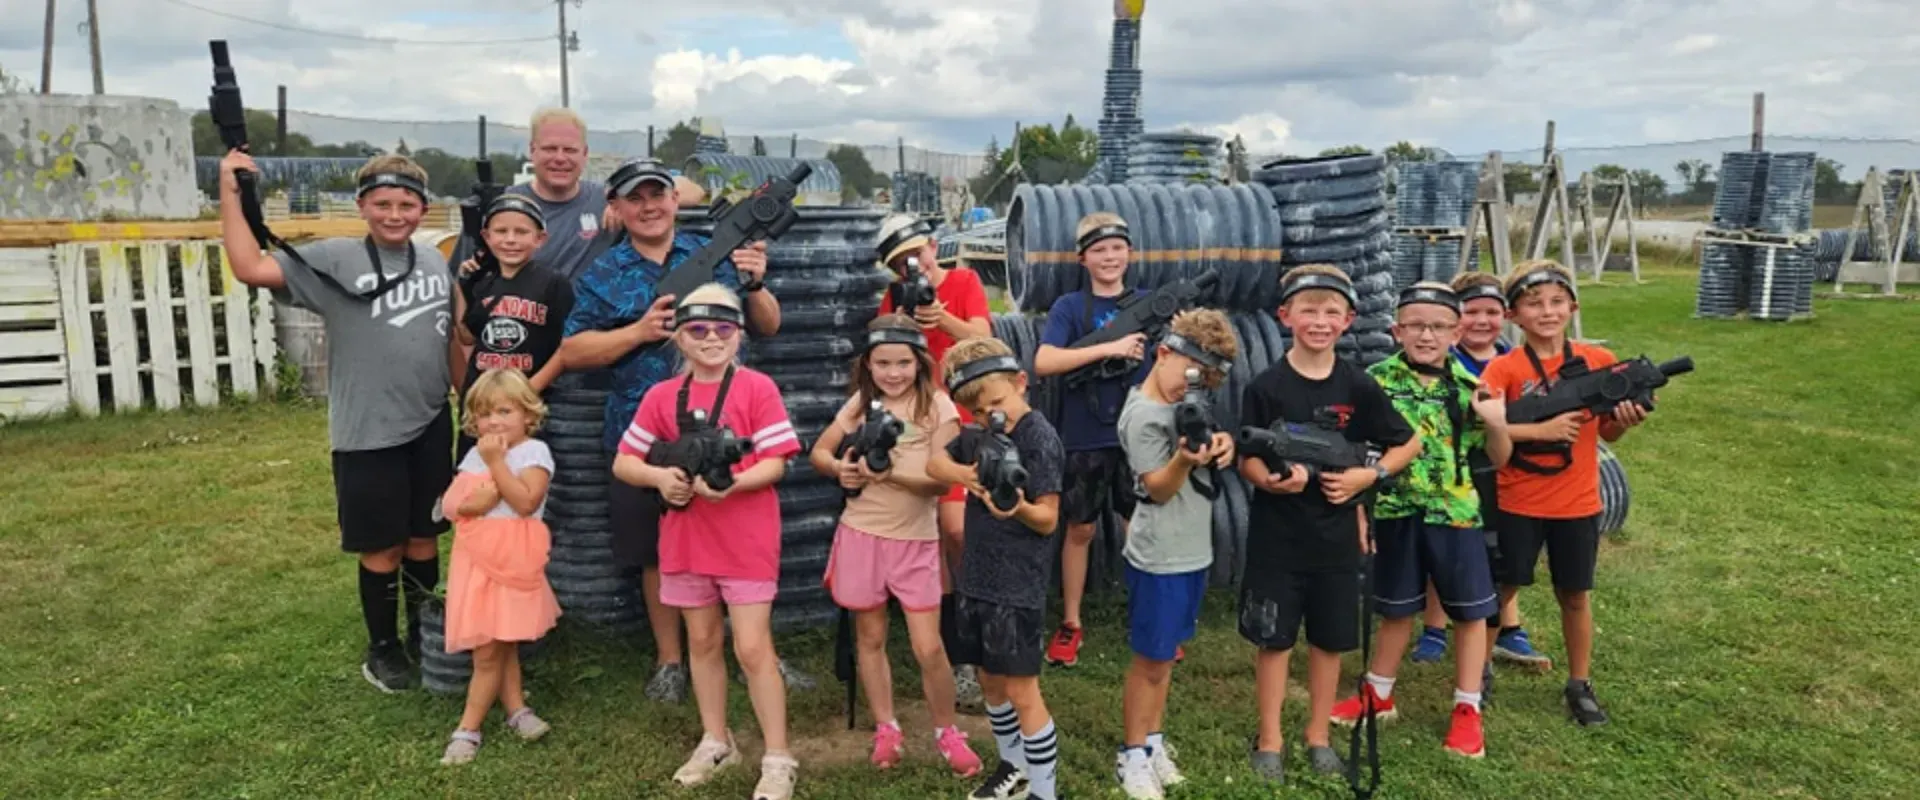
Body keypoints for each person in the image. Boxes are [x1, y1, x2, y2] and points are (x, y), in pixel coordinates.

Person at [217, 148, 457, 693]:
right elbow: (249, 266)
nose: (395, 215)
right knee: (383, 546)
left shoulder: (434, 261)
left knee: (424, 537)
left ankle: (425, 632)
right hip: (367, 431)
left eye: (407, 204)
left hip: (428, 420)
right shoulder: (335, 258)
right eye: (383, 204)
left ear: (423, 209)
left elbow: (451, 337)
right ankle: (383, 648)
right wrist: (230, 193)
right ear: (362, 205)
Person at [558, 156, 781, 705]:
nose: (649, 206)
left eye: (657, 194)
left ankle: (754, 652)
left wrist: (755, 283)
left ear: (675, 200)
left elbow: (769, 325)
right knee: (658, 555)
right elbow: (572, 350)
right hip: (643, 435)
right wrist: (636, 332)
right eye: (635, 198)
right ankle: (671, 661)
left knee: (736, 541)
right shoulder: (602, 274)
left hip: (728, 425)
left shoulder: (721, 254)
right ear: (616, 208)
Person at [611, 285, 802, 800]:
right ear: (679, 337)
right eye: (697, 330)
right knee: (701, 641)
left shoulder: (757, 387)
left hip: (745, 537)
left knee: (752, 646)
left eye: (723, 329)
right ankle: (716, 738)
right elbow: (624, 461)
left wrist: (731, 485)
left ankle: (779, 754)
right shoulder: (660, 396)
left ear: (739, 334)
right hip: (686, 538)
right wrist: (661, 480)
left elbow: (778, 460)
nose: (711, 339)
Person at [1238, 265, 1420, 783]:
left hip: (1338, 538)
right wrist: (1273, 482)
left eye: (1330, 312)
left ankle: (1319, 734)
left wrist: (1368, 476)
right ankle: (1269, 738)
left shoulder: (1357, 386)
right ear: (1285, 316)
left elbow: (1408, 442)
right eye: (1308, 310)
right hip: (1278, 537)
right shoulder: (1266, 387)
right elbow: (1246, 458)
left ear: (1348, 321)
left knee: (1330, 641)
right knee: (1273, 641)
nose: (1319, 321)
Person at [1326, 282, 1513, 759]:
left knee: (1470, 613)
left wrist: (1496, 422)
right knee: (1395, 607)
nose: (1426, 335)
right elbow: (1354, 451)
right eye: (1415, 325)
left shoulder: (1472, 387)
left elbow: (1499, 457)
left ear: (1457, 331)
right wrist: (1359, 512)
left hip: (1454, 512)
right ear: (1397, 330)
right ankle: (1378, 692)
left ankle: (1467, 708)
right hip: (1394, 510)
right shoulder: (1374, 382)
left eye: (1438, 326)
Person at [808, 314, 982, 777]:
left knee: (929, 647)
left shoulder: (938, 408)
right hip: (861, 533)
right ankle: (886, 726)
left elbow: (937, 480)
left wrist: (889, 475)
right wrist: (838, 470)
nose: (893, 373)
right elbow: (818, 451)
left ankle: (947, 730)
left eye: (903, 362)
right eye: (882, 363)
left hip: (915, 541)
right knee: (870, 637)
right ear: (868, 365)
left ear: (920, 362)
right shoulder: (860, 405)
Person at [1477, 260, 1648, 727]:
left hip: (1578, 502)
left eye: (1556, 302)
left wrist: (1627, 420)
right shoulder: (1504, 368)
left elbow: (1609, 432)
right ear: (1514, 316)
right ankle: (1480, 668)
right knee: (1502, 587)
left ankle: (1579, 682)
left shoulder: (1595, 363)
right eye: (1534, 304)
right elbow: (1486, 429)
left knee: (1575, 593)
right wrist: (1540, 429)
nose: (1547, 312)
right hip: (1518, 499)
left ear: (1573, 307)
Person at [927, 337, 1067, 800]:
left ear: (1021, 384)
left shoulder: (1040, 438)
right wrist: (964, 475)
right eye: (980, 414)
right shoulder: (980, 432)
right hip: (977, 575)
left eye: (998, 405)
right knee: (989, 679)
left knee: (1022, 689)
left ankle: (1044, 791)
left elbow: (1047, 520)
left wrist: (1018, 508)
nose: (992, 418)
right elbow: (934, 461)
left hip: (1017, 581)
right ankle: (1013, 765)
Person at [1112, 310, 1238, 800]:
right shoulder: (1143, 415)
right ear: (1163, 353)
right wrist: (1185, 458)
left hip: (1191, 551)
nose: (1194, 389)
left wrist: (1220, 444)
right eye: (1191, 376)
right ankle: (1132, 753)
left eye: (1205, 382)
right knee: (1149, 662)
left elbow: (1209, 437)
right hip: (1160, 555)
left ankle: (1154, 741)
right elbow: (1158, 490)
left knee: (1166, 659)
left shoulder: (1185, 403)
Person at [873, 213, 993, 710]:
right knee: (931, 538)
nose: (914, 266)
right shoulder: (894, 296)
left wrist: (940, 317)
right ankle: (950, 651)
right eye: (902, 262)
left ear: (933, 247)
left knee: (958, 530)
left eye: (917, 254)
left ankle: (973, 634)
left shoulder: (964, 281)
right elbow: (883, 349)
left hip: (962, 422)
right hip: (917, 428)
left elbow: (984, 340)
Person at [1409, 272, 1549, 672]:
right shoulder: (1444, 363)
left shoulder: (1514, 362)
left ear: (1505, 315)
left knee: (1504, 550)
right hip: (1455, 470)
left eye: (1492, 312)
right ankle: (1434, 629)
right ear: (1455, 320)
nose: (1482, 321)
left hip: (1508, 471)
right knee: (1446, 545)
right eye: (1471, 312)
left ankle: (1509, 626)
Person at [1033, 211, 1154, 667]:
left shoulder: (1149, 303)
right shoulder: (1070, 308)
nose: (1110, 257)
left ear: (1130, 253)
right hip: (1084, 433)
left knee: (1138, 526)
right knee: (1079, 528)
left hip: (1138, 434)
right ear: (1082, 258)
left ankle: (1148, 616)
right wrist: (1109, 348)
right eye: (1099, 250)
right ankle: (1071, 622)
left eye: (1117, 248)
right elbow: (1044, 361)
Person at [437, 368, 564, 765]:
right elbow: (456, 505)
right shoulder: (475, 454)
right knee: (496, 640)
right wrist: (480, 495)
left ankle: (468, 729)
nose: (494, 422)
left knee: (491, 651)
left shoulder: (533, 454)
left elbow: (525, 501)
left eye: (505, 411)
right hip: (475, 561)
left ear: (528, 414)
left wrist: (494, 468)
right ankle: (516, 710)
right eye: (485, 414)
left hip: (513, 559)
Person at [450, 195, 574, 462]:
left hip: (527, 399)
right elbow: (466, 334)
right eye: (501, 231)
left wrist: (530, 389)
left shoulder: (553, 283)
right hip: (483, 400)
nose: (510, 240)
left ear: (540, 239)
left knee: (524, 473)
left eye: (521, 232)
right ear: (486, 236)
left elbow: (567, 346)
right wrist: (463, 285)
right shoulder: (481, 281)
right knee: (476, 476)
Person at [450, 107, 619, 285]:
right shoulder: (499, 208)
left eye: (570, 150)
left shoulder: (608, 202)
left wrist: (622, 203)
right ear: (532, 150)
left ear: (585, 154)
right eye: (550, 149)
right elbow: (458, 280)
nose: (560, 158)